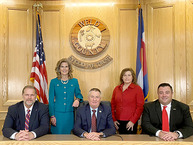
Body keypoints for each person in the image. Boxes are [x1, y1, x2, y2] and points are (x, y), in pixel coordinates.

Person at [49, 58, 83, 134]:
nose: (64, 69)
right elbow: (51, 101)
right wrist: (52, 116)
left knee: (69, 137)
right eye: (62, 66)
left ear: (69, 68)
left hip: (69, 114)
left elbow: (79, 95)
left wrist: (77, 99)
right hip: (57, 115)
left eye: (66, 66)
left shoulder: (74, 81)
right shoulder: (53, 82)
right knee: (57, 138)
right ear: (59, 69)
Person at [111, 68, 144, 134]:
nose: (127, 77)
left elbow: (140, 107)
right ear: (122, 77)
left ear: (132, 77)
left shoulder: (137, 89)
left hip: (131, 122)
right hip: (118, 121)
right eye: (124, 75)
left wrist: (133, 121)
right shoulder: (116, 89)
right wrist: (114, 119)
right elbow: (112, 105)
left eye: (129, 75)